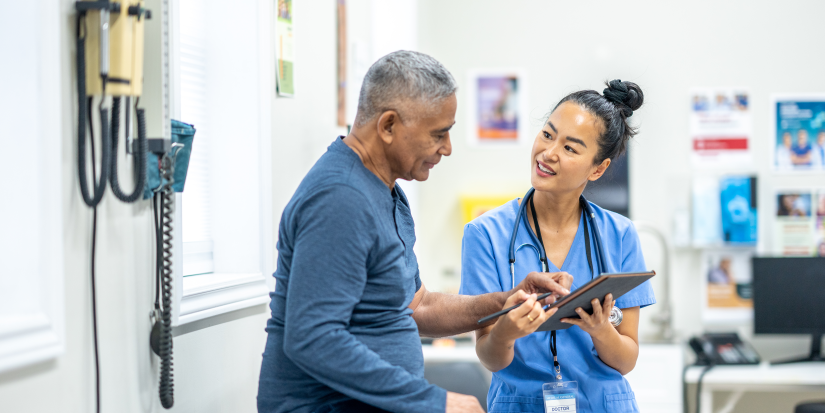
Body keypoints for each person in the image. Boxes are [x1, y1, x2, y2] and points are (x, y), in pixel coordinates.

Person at [256, 51, 572, 413]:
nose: (448, 148)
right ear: (388, 126)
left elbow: (418, 305)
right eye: (439, 134)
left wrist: (505, 302)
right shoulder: (340, 199)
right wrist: (436, 402)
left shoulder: (386, 190)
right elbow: (312, 337)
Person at [460, 80, 656, 412]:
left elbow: (626, 359)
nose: (548, 153)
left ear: (598, 168)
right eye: (548, 135)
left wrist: (601, 330)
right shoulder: (485, 234)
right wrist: (506, 333)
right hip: (520, 405)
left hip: (603, 405)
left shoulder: (620, 234)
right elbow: (489, 356)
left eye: (570, 148)